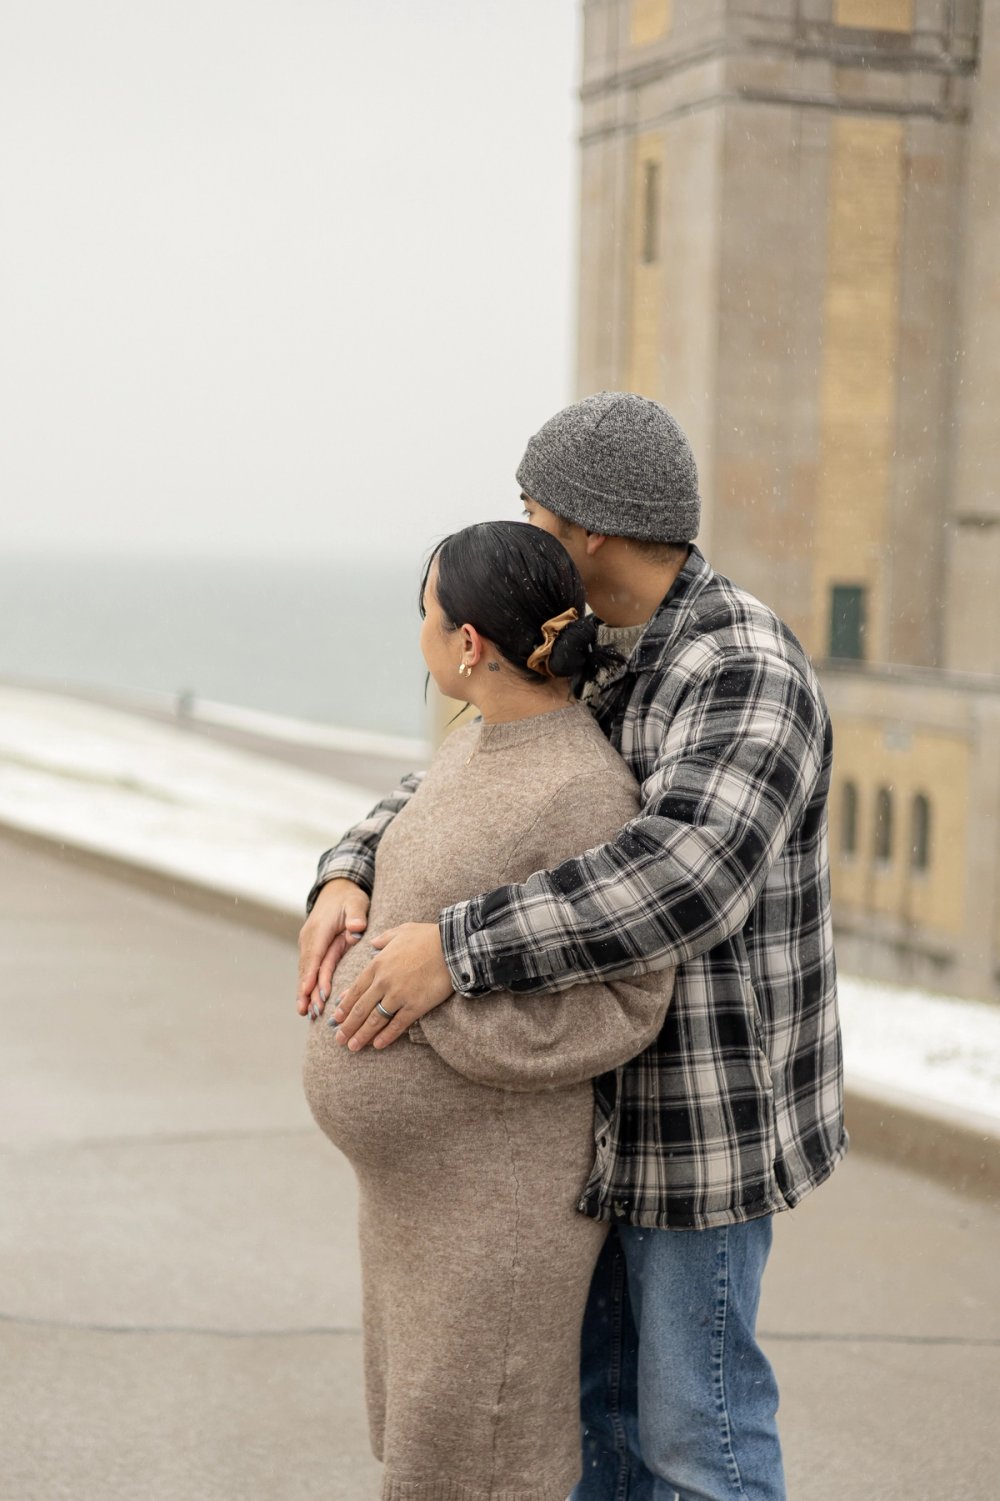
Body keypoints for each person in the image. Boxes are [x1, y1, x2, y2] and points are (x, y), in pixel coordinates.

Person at [299, 393, 846, 1501]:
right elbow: (467, 773)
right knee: (593, 1427)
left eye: (531, 507)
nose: (522, 528)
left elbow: (679, 877)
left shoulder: (740, 666)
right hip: (572, 1129)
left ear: (589, 526)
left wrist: (456, 949)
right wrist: (349, 867)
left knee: (697, 1433)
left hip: (697, 1119)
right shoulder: (589, 648)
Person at [302, 519, 675, 1501]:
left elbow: (627, 1004)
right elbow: (422, 883)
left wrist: (433, 1008)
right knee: (431, 1456)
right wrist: (346, 884)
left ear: (468, 642)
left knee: (481, 1469)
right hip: (418, 1203)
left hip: (494, 1205)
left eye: (425, 611)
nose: (419, 630)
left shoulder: (579, 787)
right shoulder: (477, 742)